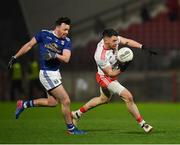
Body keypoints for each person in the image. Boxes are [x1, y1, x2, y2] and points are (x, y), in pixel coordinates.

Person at [8, 17, 85, 135]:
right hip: (46, 73)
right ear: (57, 27)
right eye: (65, 29)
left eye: (68, 30)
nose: (66, 32)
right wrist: (15, 57)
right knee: (66, 100)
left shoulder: (67, 41)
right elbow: (29, 45)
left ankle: (23, 104)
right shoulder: (44, 34)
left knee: (52, 102)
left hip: (55, 73)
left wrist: (54, 55)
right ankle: (71, 129)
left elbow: (66, 58)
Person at [71, 28, 157, 133]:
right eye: (114, 41)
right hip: (105, 77)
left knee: (103, 99)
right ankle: (143, 124)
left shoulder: (113, 40)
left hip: (110, 76)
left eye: (117, 40)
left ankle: (76, 114)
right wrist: (123, 68)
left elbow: (127, 41)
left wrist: (142, 47)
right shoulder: (100, 55)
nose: (117, 43)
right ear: (106, 40)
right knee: (128, 96)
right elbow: (110, 73)